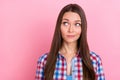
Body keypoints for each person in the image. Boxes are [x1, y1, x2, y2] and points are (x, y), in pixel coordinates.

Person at [35, 4, 105, 80]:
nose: (71, 30)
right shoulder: (44, 61)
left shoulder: (95, 60)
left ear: (82, 28)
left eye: (77, 24)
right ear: (59, 26)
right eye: (66, 23)